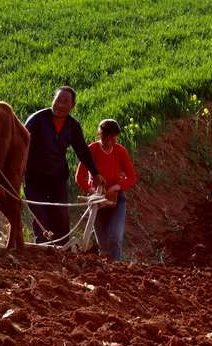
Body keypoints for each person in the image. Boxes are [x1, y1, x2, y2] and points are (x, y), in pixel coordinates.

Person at [24, 87, 104, 243]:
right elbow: (20, 146)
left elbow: (82, 151)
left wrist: (95, 173)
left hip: (57, 178)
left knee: (61, 217)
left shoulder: (73, 126)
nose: (60, 105)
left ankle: (63, 254)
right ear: (52, 100)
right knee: (40, 217)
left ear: (72, 106)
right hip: (34, 178)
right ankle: (42, 253)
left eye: (65, 102)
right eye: (57, 100)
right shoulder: (36, 121)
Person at [75, 119, 137, 261]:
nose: (109, 141)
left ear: (116, 136)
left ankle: (116, 268)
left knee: (115, 237)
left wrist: (117, 187)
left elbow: (132, 177)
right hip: (96, 200)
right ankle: (106, 273)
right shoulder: (91, 150)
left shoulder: (120, 151)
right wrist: (91, 191)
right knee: (103, 243)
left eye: (112, 138)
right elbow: (79, 177)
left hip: (116, 199)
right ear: (99, 135)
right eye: (105, 137)